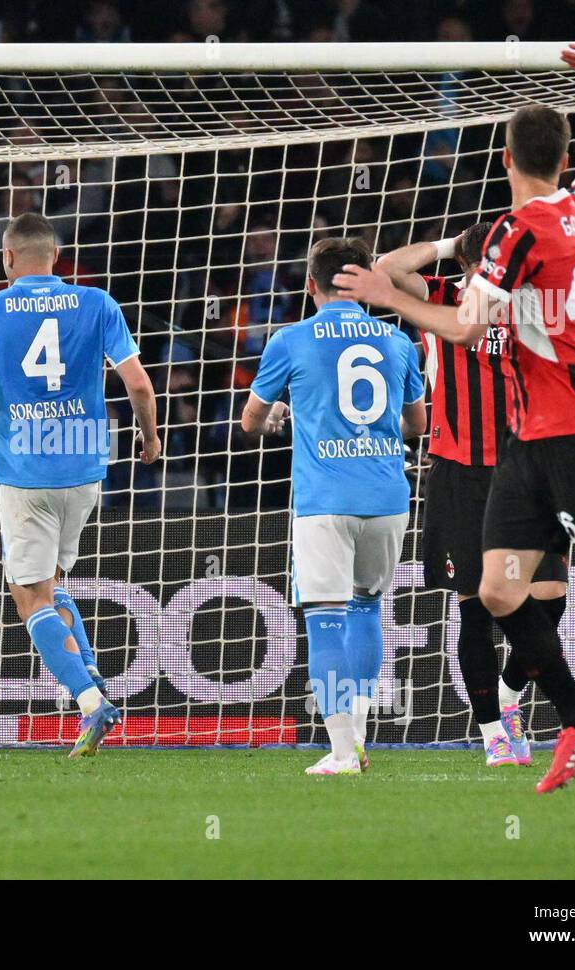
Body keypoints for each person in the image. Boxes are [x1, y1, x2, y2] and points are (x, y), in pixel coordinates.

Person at [334, 45, 575, 793]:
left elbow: (469, 329)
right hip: (527, 442)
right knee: (499, 592)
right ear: (559, 156)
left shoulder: (516, 230)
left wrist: (389, 292)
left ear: (506, 158)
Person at [0, 212, 161, 757]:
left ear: (8, 258)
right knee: (50, 584)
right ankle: (93, 678)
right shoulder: (97, 303)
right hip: (84, 469)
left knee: (28, 596)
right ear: (55, 257)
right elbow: (140, 385)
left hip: (26, 471)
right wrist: (149, 440)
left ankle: (89, 702)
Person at [373, 224, 569, 767]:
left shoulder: (532, 305)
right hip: (459, 471)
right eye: (482, 263)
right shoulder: (443, 298)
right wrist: (447, 247)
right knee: (476, 611)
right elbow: (385, 266)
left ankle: (511, 691)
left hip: (527, 471)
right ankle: (492, 734)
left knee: (551, 596)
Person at [243, 237, 426, 775]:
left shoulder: (292, 340)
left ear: (310, 286)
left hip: (326, 500)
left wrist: (279, 415)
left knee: (325, 619)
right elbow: (418, 425)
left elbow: (251, 421)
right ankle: (361, 737)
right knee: (368, 606)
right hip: (389, 496)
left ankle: (343, 751)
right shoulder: (397, 343)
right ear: (368, 282)